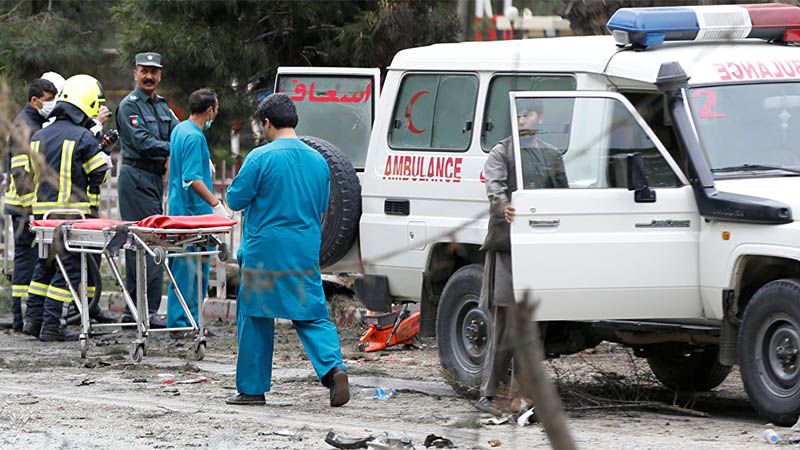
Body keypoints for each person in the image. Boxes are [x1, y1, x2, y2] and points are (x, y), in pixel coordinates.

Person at [225, 93, 349, 407]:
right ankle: (334, 369)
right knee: (312, 315)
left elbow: (235, 200)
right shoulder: (319, 161)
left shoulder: (260, 157)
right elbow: (322, 209)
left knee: (255, 316)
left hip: (264, 253)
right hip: (304, 250)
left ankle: (252, 390)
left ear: (266, 123)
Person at [475, 99, 567, 415]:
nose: (522, 119)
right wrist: (504, 207)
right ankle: (489, 394)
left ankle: (524, 396)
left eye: (528, 114)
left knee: (534, 326)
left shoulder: (552, 154)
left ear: (539, 118)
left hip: (542, 249)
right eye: (518, 114)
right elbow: (495, 188)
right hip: (510, 249)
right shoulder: (501, 151)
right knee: (504, 323)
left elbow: (562, 196)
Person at [22, 74, 112, 341]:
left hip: (42, 217)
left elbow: (28, 174)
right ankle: (51, 326)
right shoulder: (83, 137)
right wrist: (103, 154)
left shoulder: (38, 135)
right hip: (72, 217)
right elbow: (98, 174)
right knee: (71, 270)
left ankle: (33, 321)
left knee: (45, 267)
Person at [116, 52, 178, 328]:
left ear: (160, 75)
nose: (149, 76)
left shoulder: (163, 107)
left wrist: (183, 142)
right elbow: (142, 142)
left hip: (154, 179)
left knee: (147, 243)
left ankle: (136, 311)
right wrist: (176, 148)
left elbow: (179, 132)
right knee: (146, 243)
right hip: (136, 177)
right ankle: (145, 310)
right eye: (144, 71)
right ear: (135, 74)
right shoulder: (129, 106)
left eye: (154, 72)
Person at [165, 88, 231, 331]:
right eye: (217, 107)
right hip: (193, 214)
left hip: (181, 209)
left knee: (185, 269)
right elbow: (192, 178)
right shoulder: (194, 137)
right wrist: (216, 204)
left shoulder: (181, 129)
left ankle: (185, 321)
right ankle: (186, 323)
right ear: (210, 110)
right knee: (192, 270)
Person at [3, 78, 58, 331]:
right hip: (24, 207)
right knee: (26, 260)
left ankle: (21, 315)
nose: (52, 105)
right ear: (35, 100)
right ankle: (20, 315)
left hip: (24, 206)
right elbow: (20, 172)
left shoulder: (33, 122)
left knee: (29, 258)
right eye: (48, 100)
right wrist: (31, 209)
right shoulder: (26, 126)